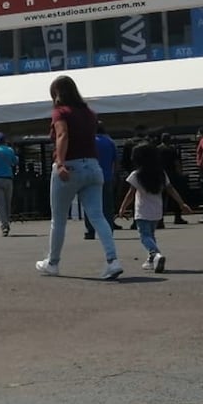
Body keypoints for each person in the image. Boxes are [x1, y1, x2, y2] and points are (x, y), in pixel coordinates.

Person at [35, 75, 123, 280]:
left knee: (58, 219)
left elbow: (62, 135)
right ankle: (113, 260)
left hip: (71, 166)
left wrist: (61, 163)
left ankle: (53, 263)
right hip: (93, 166)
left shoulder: (60, 112)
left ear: (56, 93)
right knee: (98, 216)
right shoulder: (90, 113)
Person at [118, 143, 193, 273]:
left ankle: (156, 254)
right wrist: (182, 204)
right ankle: (151, 261)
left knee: (144, 237)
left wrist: (122, 208)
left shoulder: (136, 174)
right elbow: (171, 189)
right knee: (151, 235)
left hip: (142, 211)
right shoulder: (161, 174)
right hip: (157, 211)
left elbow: (130, 194)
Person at [83, 121, 118, 240]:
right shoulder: (110, 142)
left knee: (90, 204)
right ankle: (109, 230)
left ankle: (90, 230)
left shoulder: (89, 141)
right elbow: (115, 161)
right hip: (107, 177)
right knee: (107, 206)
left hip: (90, 176)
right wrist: (114, 175)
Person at [158, 133, 190, 225]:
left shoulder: (157, 149)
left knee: (161, 198)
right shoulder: (171, 150)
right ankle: (178, 217)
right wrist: (180, 174)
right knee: (175, 197)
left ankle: (160, 220)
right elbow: (176, 163)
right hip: (172, 175)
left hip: (161, 175)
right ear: (169, 140)